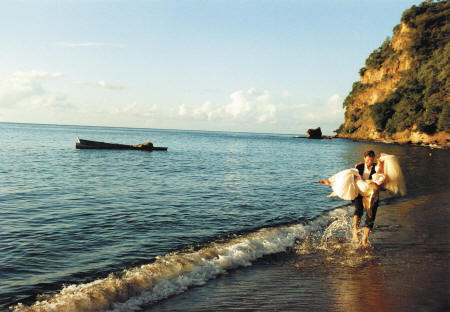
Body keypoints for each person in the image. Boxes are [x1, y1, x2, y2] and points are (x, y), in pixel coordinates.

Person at [318, 151, 406, 247]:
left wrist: (373, 180)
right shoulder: (359, 167)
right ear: (364, 159)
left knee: (370, 216)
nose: (369, 162)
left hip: (371, 192)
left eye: (371, 160)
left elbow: (381, 183)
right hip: (358, 191)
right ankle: (355, 233)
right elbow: (352, 177)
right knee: (358, 209)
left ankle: (364, 240)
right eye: (368, 160)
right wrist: (360, 177)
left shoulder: (377, 169)